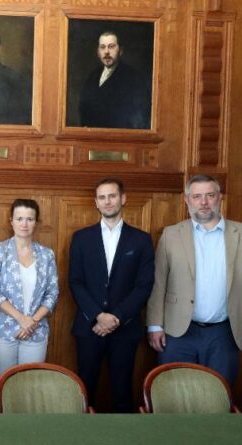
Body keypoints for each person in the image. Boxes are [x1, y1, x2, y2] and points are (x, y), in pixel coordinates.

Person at [147, 174, 242, 386]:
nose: (204, 202)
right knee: (176, 394)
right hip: (177, 332)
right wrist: (154, 325)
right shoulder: (171, 235)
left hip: (225, 333)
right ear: (187, 200)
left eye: (210, 195)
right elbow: (158, 283)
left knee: (219, 395)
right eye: (197, 196)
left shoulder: (240, 233)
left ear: (220, 197)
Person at [69, 178, 154, 412]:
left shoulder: (141, 240)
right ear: (96, 202)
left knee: (122, 393)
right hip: (89, 327)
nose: (107, 202)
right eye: (102, 197)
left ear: (123, 199)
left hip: (125, 328)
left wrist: (116, 317)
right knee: (84, 392)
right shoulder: (81, 238)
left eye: (112, 196)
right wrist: (98, 316)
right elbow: (75, 281)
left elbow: (144, 285)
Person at [0, 199, 59, 381]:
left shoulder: (47, 254)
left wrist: (32, 321)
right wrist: (21, 319)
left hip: (36, 330)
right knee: (3, 383)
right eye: (19, 219)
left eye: (29, 219)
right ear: (11, 221)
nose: (24, 224)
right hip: (3, 330)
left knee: (30, 385)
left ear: (36, 222)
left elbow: (53, 293)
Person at [78, 31, 151, 129]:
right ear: (98, 52)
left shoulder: (134, 78)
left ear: (120, 51)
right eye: (102, 47)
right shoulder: (92, 76)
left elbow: (138, 117)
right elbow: (83, 108)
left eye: (111, 46)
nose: (106, 52)